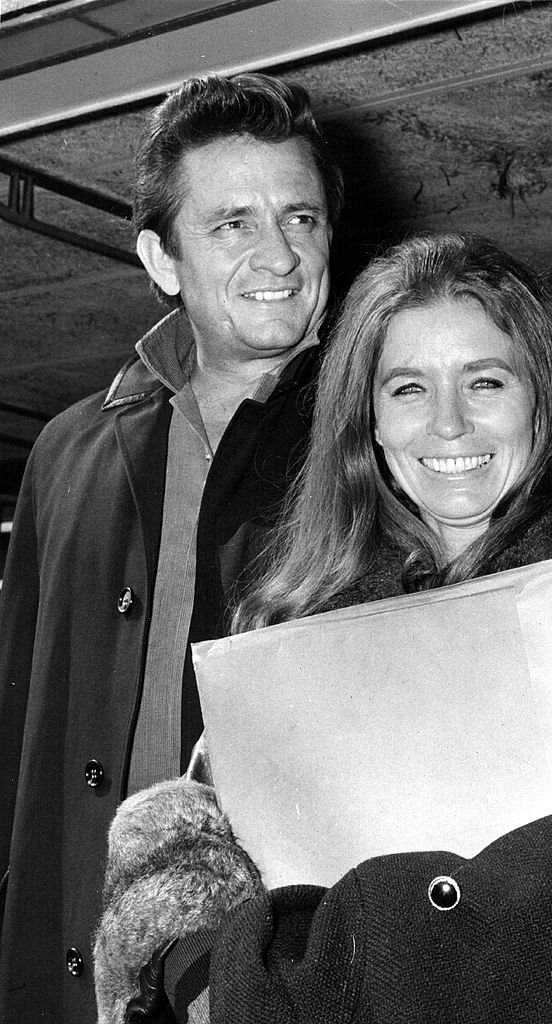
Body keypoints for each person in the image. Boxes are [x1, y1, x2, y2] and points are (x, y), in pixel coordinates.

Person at [93, 232, 552, 1022]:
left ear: (542, 399)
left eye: (484, 381)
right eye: (408, 389)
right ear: (370, 422)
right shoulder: (295, 610)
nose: (448, 425)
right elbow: (196, 874)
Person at [0, 71, 343, 1022]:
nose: (279, 252)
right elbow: (18, 718)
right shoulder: (69, 449)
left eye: (301, 217)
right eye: (232, 223)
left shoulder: (373, 441)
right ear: (161, 259)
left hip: (262, 968)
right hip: (71, 957)